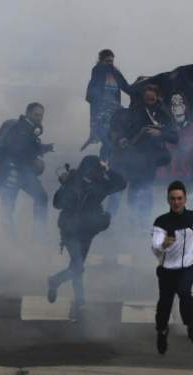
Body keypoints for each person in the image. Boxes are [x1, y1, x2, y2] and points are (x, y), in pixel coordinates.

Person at [47, 156, 127, 318]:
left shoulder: (100, 183)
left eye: (98, 169)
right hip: (70, 230)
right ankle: (74, 296)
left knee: (77, 266)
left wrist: (107, 169)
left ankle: (70, 295)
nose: (95, 173)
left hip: (88, 230)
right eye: (94, 169)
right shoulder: (73, 181)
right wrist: (66, 188)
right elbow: (57, 204)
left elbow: (121, 184)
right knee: (77, 266)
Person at [152, 180, 193, 355]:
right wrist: (164, 245)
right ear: (168, 200)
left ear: (185, 199)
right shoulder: (161, 221)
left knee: (184, 292)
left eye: (179, 198)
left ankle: (191, 326)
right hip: (167, 269)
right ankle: (162, 332)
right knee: (165, 303)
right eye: (172, 199)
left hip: (189, 266)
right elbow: (155, 246)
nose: (176, 202)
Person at [112, 84, 178, 228]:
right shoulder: (134, 112)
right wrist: (122, 140)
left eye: (153, 98)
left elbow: (175, 137)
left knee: (145, 189)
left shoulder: (164, 113)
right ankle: (134, 221)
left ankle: (143, 222)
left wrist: (161, 133)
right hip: (135, 158)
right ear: (143, 97)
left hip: (152, 160)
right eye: (147, 98)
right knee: (134, 188)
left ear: (157, 97)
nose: (150, 100)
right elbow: (120, 132)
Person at [0, 102, 53, 239]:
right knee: (7, 210)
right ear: (28, 113)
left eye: (41, 116)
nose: (39, 118)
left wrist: (43, 148)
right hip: (9, 172)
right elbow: (4, 150)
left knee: (42, 198)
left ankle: (39, 234)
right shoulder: (15, 127)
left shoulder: (31, 131)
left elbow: (29, 149)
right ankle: (11, 243)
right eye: (36, 115)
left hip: (24, 173)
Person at [83, 49, 132, 159]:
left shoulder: (115, 73)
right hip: (102, 112)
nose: (110, 64)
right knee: (107, 141)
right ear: (101, 61)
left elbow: (127, 88)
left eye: (111, 61)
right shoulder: (97, 71)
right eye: (107, 61)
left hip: (115, 112)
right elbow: (90, 96)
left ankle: (110, 164)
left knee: (114, 140)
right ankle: (103, 164)